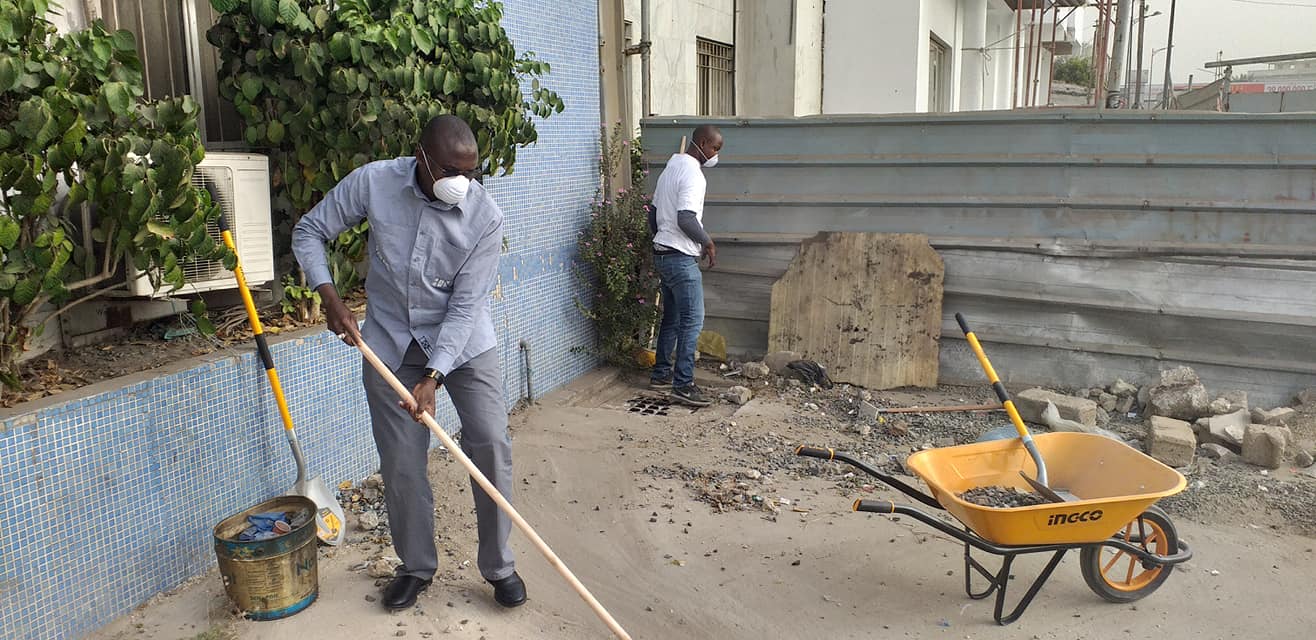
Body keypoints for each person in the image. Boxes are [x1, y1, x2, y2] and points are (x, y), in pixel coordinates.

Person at [292, 115, 525, 612]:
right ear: (421, 158)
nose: (461, 183)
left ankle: (499, 565)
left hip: (461, 348)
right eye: (450, 170)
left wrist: (434, 376)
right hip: (390, 343)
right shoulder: (375, 181)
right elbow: (309, 231)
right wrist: (328, 294)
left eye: (471, 171)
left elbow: (464, 310)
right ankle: (416, 566)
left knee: (490, 441)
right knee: (401, 462)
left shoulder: (485, 217)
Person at [647, 124, 723, 407]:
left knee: (672, 318)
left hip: (663, 254)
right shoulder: (693, 174)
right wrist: (708, 243)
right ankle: (683, 384)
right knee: (692, 321)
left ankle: (661, 373)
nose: (716, 154)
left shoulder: (670, 169)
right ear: (703, 143)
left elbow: (653, 216)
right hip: (679, 258)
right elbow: (687, 218)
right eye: (716, 148)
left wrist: (660, 241)